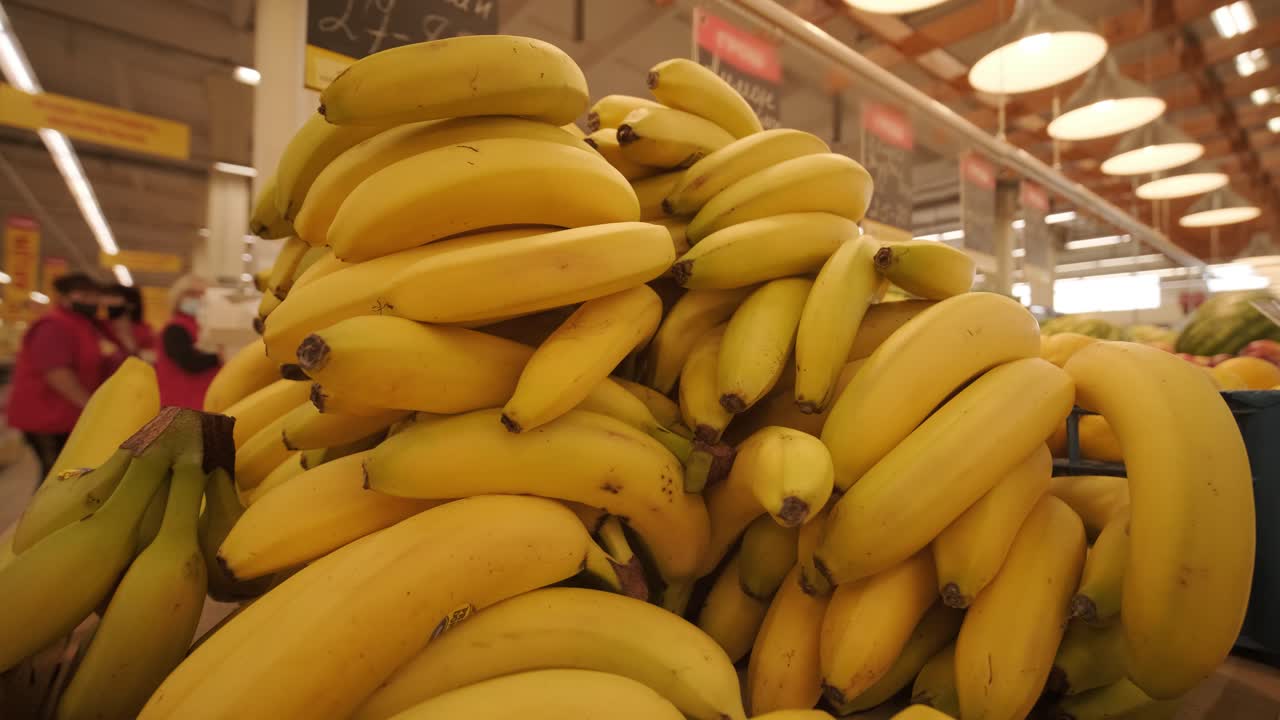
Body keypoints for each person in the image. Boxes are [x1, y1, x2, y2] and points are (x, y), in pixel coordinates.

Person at [6, 273, 106, 478]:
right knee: (55, 477)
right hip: (46, 415)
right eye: (84, 295)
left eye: (94, 296)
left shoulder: (82, 324)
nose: (91, 301)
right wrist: (89, 405)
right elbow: (56, 373)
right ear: (64, 297)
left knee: (63, 474)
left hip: (65, 414)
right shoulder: (54, 325)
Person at [155, 274, 221, 409]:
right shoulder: (175, 328)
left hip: (205, 402)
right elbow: (190, 362)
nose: (197, 298)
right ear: (178, 297)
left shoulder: (207, 328)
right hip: (181, 404)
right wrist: (222, 356)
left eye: (203, 294)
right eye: (191, 293)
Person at [99, 284, 156, 372]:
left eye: (114, 297)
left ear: (131, 304)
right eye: (106, 297)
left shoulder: (144, 329)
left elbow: (151, 357)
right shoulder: (101, 326)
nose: (107, 301)